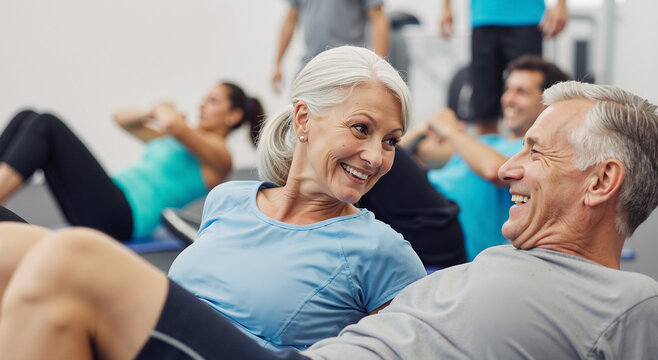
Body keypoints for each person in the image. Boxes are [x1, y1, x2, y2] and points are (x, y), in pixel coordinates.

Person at [0, 46, 427, 357]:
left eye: (391, 141)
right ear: (303, 120)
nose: (376, 157)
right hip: (151, 341)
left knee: (73, 255)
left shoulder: (382, 250)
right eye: (360, 129)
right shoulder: (228, 199)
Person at [0, 82, 263, 240]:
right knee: (28, 116)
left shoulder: (220, 157)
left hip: (122, 217)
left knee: (47, 124)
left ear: (233, 116)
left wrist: (165, 110)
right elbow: (121, 119)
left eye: (213, 101)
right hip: (104, 203)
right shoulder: (175, 138)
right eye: (204, 99)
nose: (202, 106)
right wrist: (153, 110)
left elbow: (172, 123)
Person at [401, 55, 570, 260]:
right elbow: (404, 154)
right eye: (508, 89)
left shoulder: (539, 152)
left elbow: (495, 171)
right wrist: (425, 127)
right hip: (416, 218)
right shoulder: (486, 142)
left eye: (521, 92)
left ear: (546, 105)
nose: (509, 99)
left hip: (447, 237)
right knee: (382, 161)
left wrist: (450, 131)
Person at [440, 0, 568, 135]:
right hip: (484, 15)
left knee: (530, 98)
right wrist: (447, 7)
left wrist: (561, 4)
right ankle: (487, 153)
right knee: (484, 107)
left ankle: (531, 152)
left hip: (527, 16)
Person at [272, 0, 390, 93]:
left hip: (348, 68)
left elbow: (378, 18)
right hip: (311, 65)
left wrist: (378, 66)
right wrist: (278, 63)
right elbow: (291, 18)